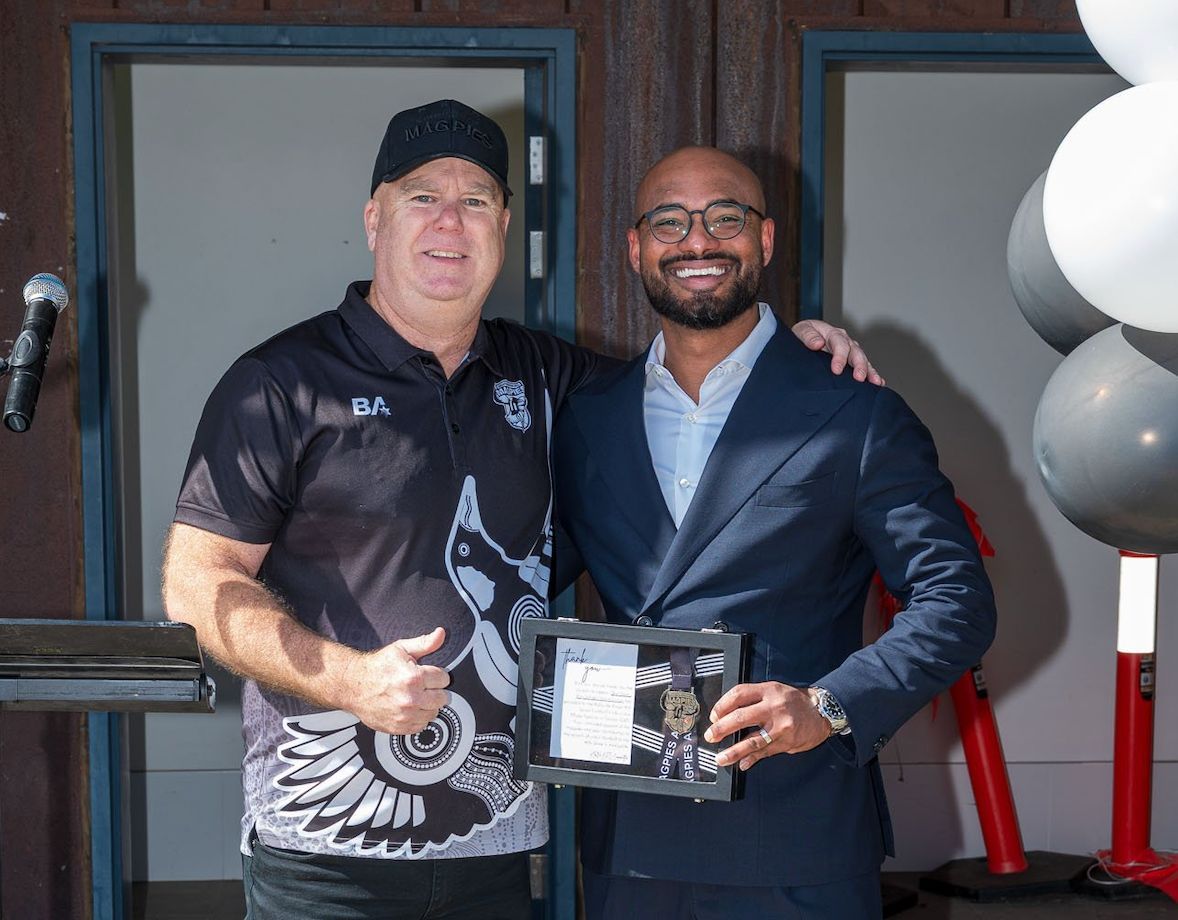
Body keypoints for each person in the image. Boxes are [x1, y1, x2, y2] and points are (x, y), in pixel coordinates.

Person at [161, 99, 877, 920]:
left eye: (476, 201)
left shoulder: (549, 376)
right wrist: (348, 680)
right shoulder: (279, 382)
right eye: (422, 196)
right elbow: (196, 582)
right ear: (373, 217)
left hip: (502, 851)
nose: (449, 222)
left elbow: (695, 381)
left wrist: (789, 353)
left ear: (504, 224)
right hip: (325, 855)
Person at [551, 146, 997, 919]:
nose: (697, 242)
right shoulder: (588, 416)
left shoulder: (854, 412)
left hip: (796, 837)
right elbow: (523, 576)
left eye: (725, 217)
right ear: (634, 248)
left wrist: (827, 706)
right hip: (633, 840)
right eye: (669, 222)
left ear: (764, 240)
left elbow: (956, 601)